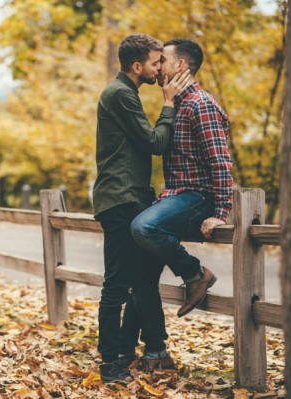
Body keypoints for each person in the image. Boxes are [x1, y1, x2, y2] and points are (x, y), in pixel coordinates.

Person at [93, 33, 191, 383]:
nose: (158, 68)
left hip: (133, 199)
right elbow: (155, 142)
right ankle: (110, 364)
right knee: (117, 286)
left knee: (140, 279)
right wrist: (168, 103)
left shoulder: (125, 93)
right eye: (154, 63)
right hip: (120, 200)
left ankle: (123, 350)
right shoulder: (119, 94)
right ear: (137, 66)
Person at [130, 38, 233, 319]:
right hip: (176, 197)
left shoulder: (202, 104)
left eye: (162, 59)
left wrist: (221, 212)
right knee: (140, 273)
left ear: (180, 64)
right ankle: (155, 351)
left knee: (143, 227)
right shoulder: (175, 104)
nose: (158, 66)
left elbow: (220, 161)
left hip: (198, 197)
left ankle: (195, 274)